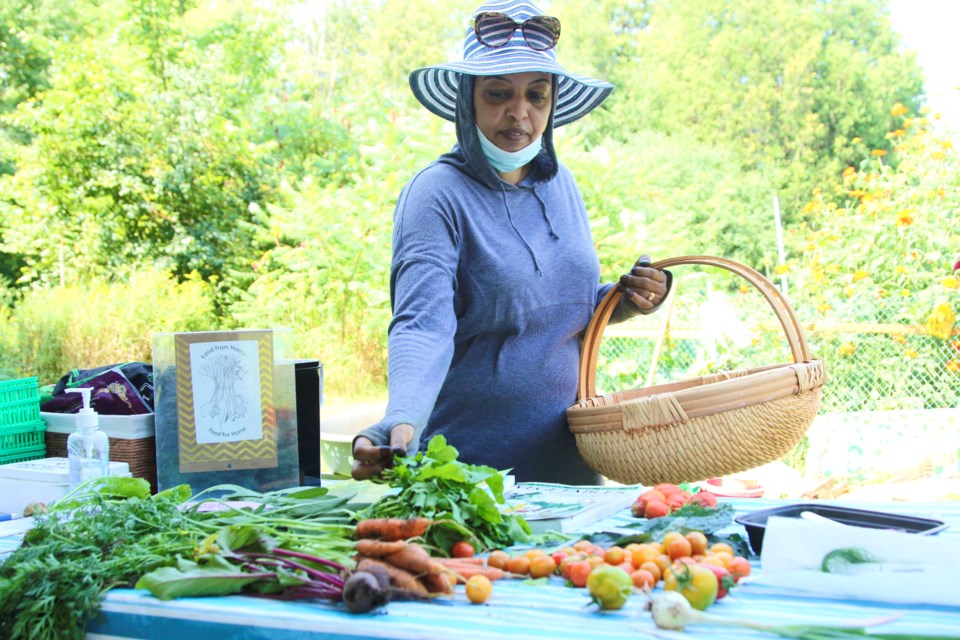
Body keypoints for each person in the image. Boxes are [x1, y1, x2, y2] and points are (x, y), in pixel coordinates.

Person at [351, 0, 671, 485]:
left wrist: (627, 300)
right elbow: (422, 325)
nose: (518, 113)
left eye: (537, 96)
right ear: (467, 99)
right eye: (498, 93)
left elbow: (566, 311)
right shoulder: (437, 195)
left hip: (570, 469)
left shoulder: (561, 185)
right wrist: (402, 419)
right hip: (468, 476)